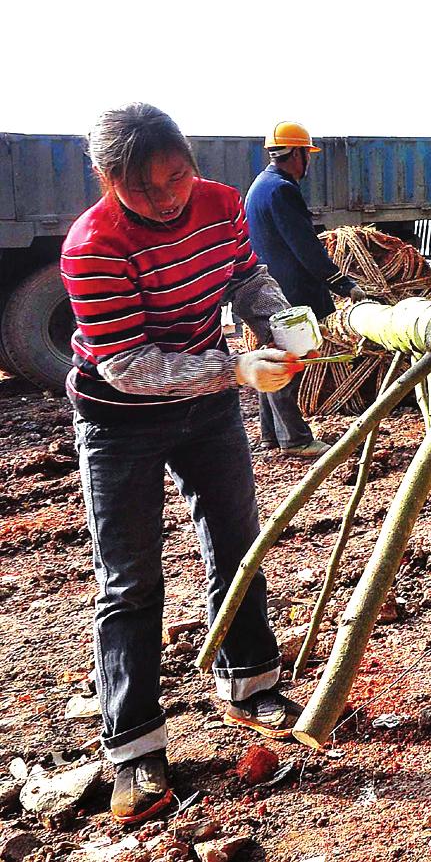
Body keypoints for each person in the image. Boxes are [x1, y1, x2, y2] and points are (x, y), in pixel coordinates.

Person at [62, 104, 309, 824]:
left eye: (177, 174)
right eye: (145, 187)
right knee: (130, 579)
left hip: (206, 410)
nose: (168, 196)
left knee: (238, 543)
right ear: (110, 181)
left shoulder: (222, 204)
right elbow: (129, 365)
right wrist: (234, 368)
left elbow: (245, 276)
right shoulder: (92, 246)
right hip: (119, 419)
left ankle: (251, 682)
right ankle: (134, 745)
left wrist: (281, 316)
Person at [244, 121, 366, 456]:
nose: (308, 162)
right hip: (289, 292)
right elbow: (305, 247)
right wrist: (343, 284)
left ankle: (271, 435)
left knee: (275, 356)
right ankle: (295, 439)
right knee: (289, 362)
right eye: (306, 154)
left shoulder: (261, 185)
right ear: (297, 154)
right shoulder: (282, 189)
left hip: (270, 288)